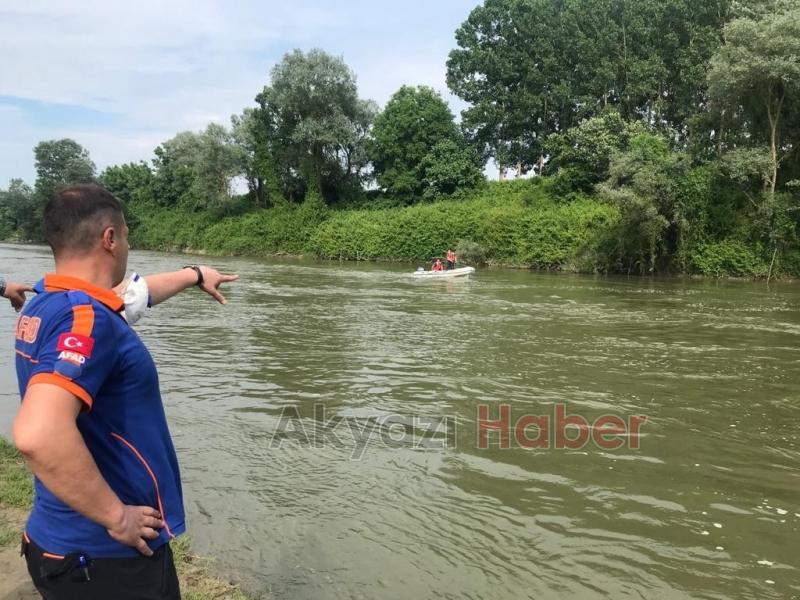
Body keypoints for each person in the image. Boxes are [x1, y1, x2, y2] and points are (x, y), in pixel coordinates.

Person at [12, 184, 237, 600]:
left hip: (59, 542)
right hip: (107, 559)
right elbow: (37, 435)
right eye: (128, 234)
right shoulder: (85, 320)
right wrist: (117, 518)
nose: (129, 246)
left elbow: (133, 296)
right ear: (110, 239)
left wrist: (195, 275)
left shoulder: (46, 302)